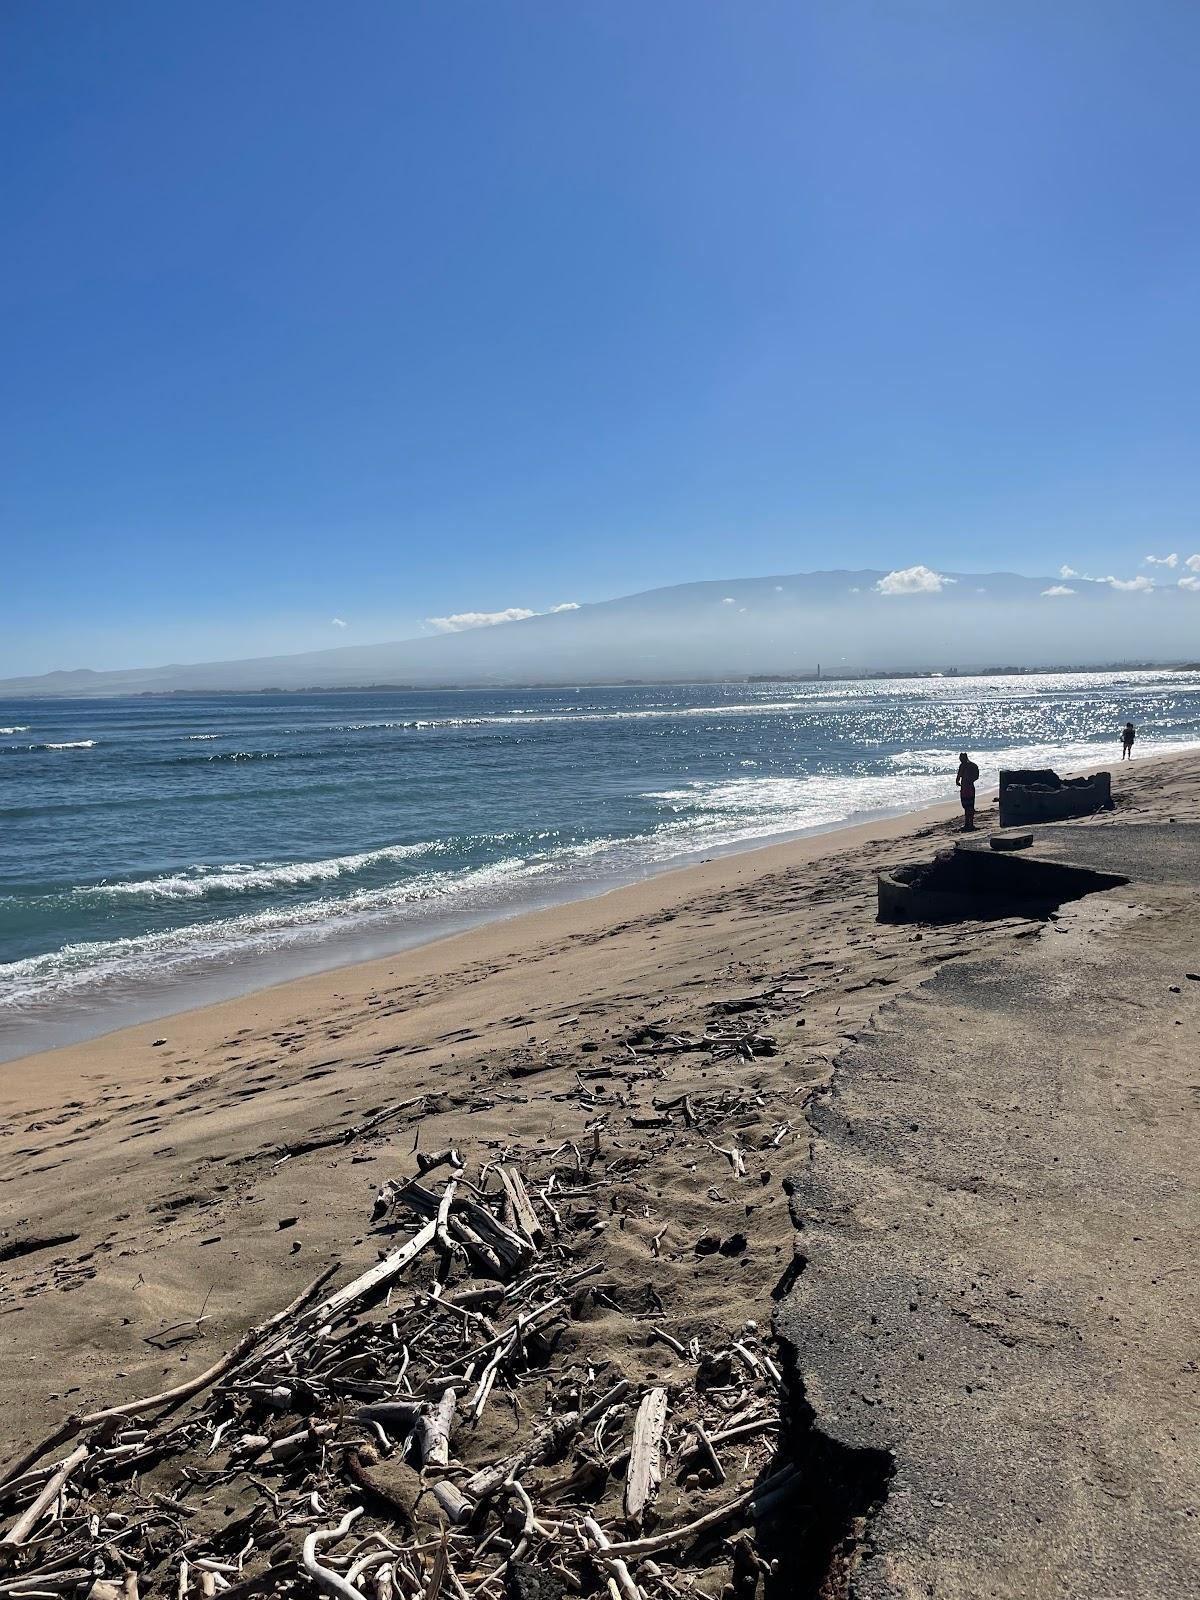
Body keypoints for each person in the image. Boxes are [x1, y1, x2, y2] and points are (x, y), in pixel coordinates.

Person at [956, 752, 979, 831]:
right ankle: (967, 823)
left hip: (968, 787)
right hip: (965, 787)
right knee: (966, 806)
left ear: (965, 758)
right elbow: (959, 775)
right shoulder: (963, 765)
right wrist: (957, 781)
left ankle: (970, 823)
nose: (960, 759)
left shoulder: (972, 766)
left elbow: (976, 776)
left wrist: (969, 780)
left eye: (961, 758)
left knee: (970, 806)